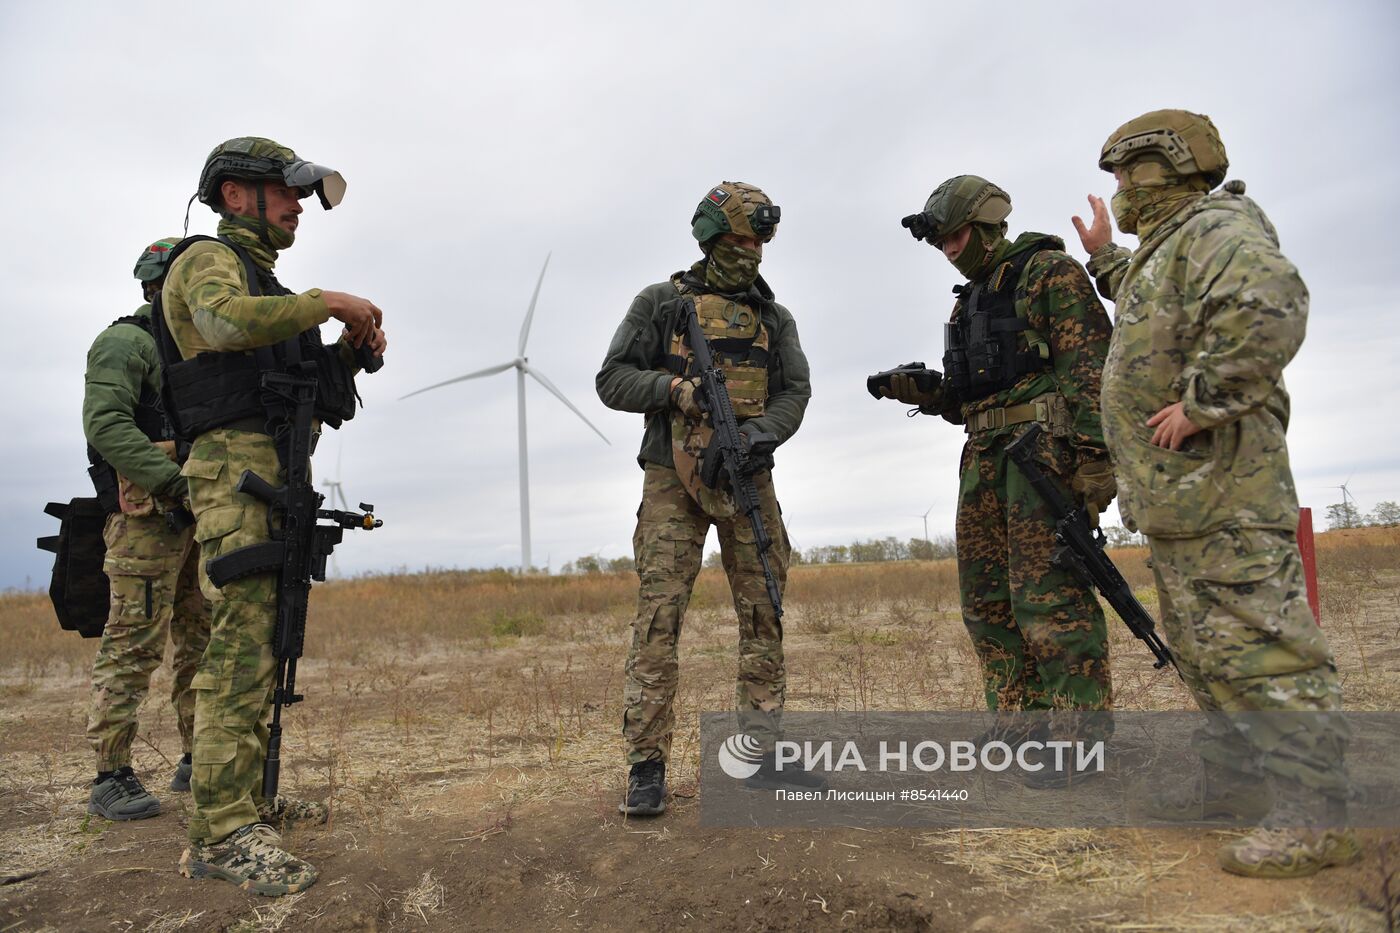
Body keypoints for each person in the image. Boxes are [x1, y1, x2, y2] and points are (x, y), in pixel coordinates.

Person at [1073, 108, 1357, 877]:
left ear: (1172, 166)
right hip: (1182, 503)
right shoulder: (1170, 249)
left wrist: (1204, 400)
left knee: (1262, 651)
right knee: (1208, 653)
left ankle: (1317, 815)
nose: (1123, 189)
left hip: (1227, 490)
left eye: (1131, 172)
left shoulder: (1215, 229)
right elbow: (1146, 298)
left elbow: (1271, 305)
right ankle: (1236, 788)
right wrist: (1104, 258)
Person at [160, 137, 386, 895]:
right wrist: (327, 303)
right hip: (235, 475)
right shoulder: (207, 262)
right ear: (235, 195)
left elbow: (301, 387)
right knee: (239, 647)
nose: (298, 208)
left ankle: (247, 800)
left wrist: (352, 352)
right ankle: (222, 833)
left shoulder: (269, 288)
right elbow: (222, 327)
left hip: (276, 473)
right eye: (286, 193)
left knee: (267, 640)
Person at [596, 181, 814, 815]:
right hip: (672, 477)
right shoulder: (663, 303)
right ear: (712, 238)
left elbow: (794, 392)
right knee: (660, 620)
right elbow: (612, 378)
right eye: (741, 239)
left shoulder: (775, 318)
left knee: (764, 613)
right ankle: (646, 766)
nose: (751, 252)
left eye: (759, 241)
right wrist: (677, 391)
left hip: (749, 476)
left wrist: (759, 433)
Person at [890, 176, 1116, 781]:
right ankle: (1019, 731)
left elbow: (1091, 367)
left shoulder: (1049, 274)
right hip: (983, 459)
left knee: (1051, 603)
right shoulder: (970, 300)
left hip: (1043, 458)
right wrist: (933, 395)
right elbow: (974, 394)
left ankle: (1076, 748)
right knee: (987, 604)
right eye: (940, 243)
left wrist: (1095, 460)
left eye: (956, 236)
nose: (950, 250)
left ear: (987, 224)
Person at [84, 239, 211, 821]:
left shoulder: (191, 351)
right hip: (145, 520)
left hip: (194, 518)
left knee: (201, 641)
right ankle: (110, 774)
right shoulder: (125, 343)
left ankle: (198, 757)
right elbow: (107, 425)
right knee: (133, 645)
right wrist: (174, 480)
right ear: (158, 287)